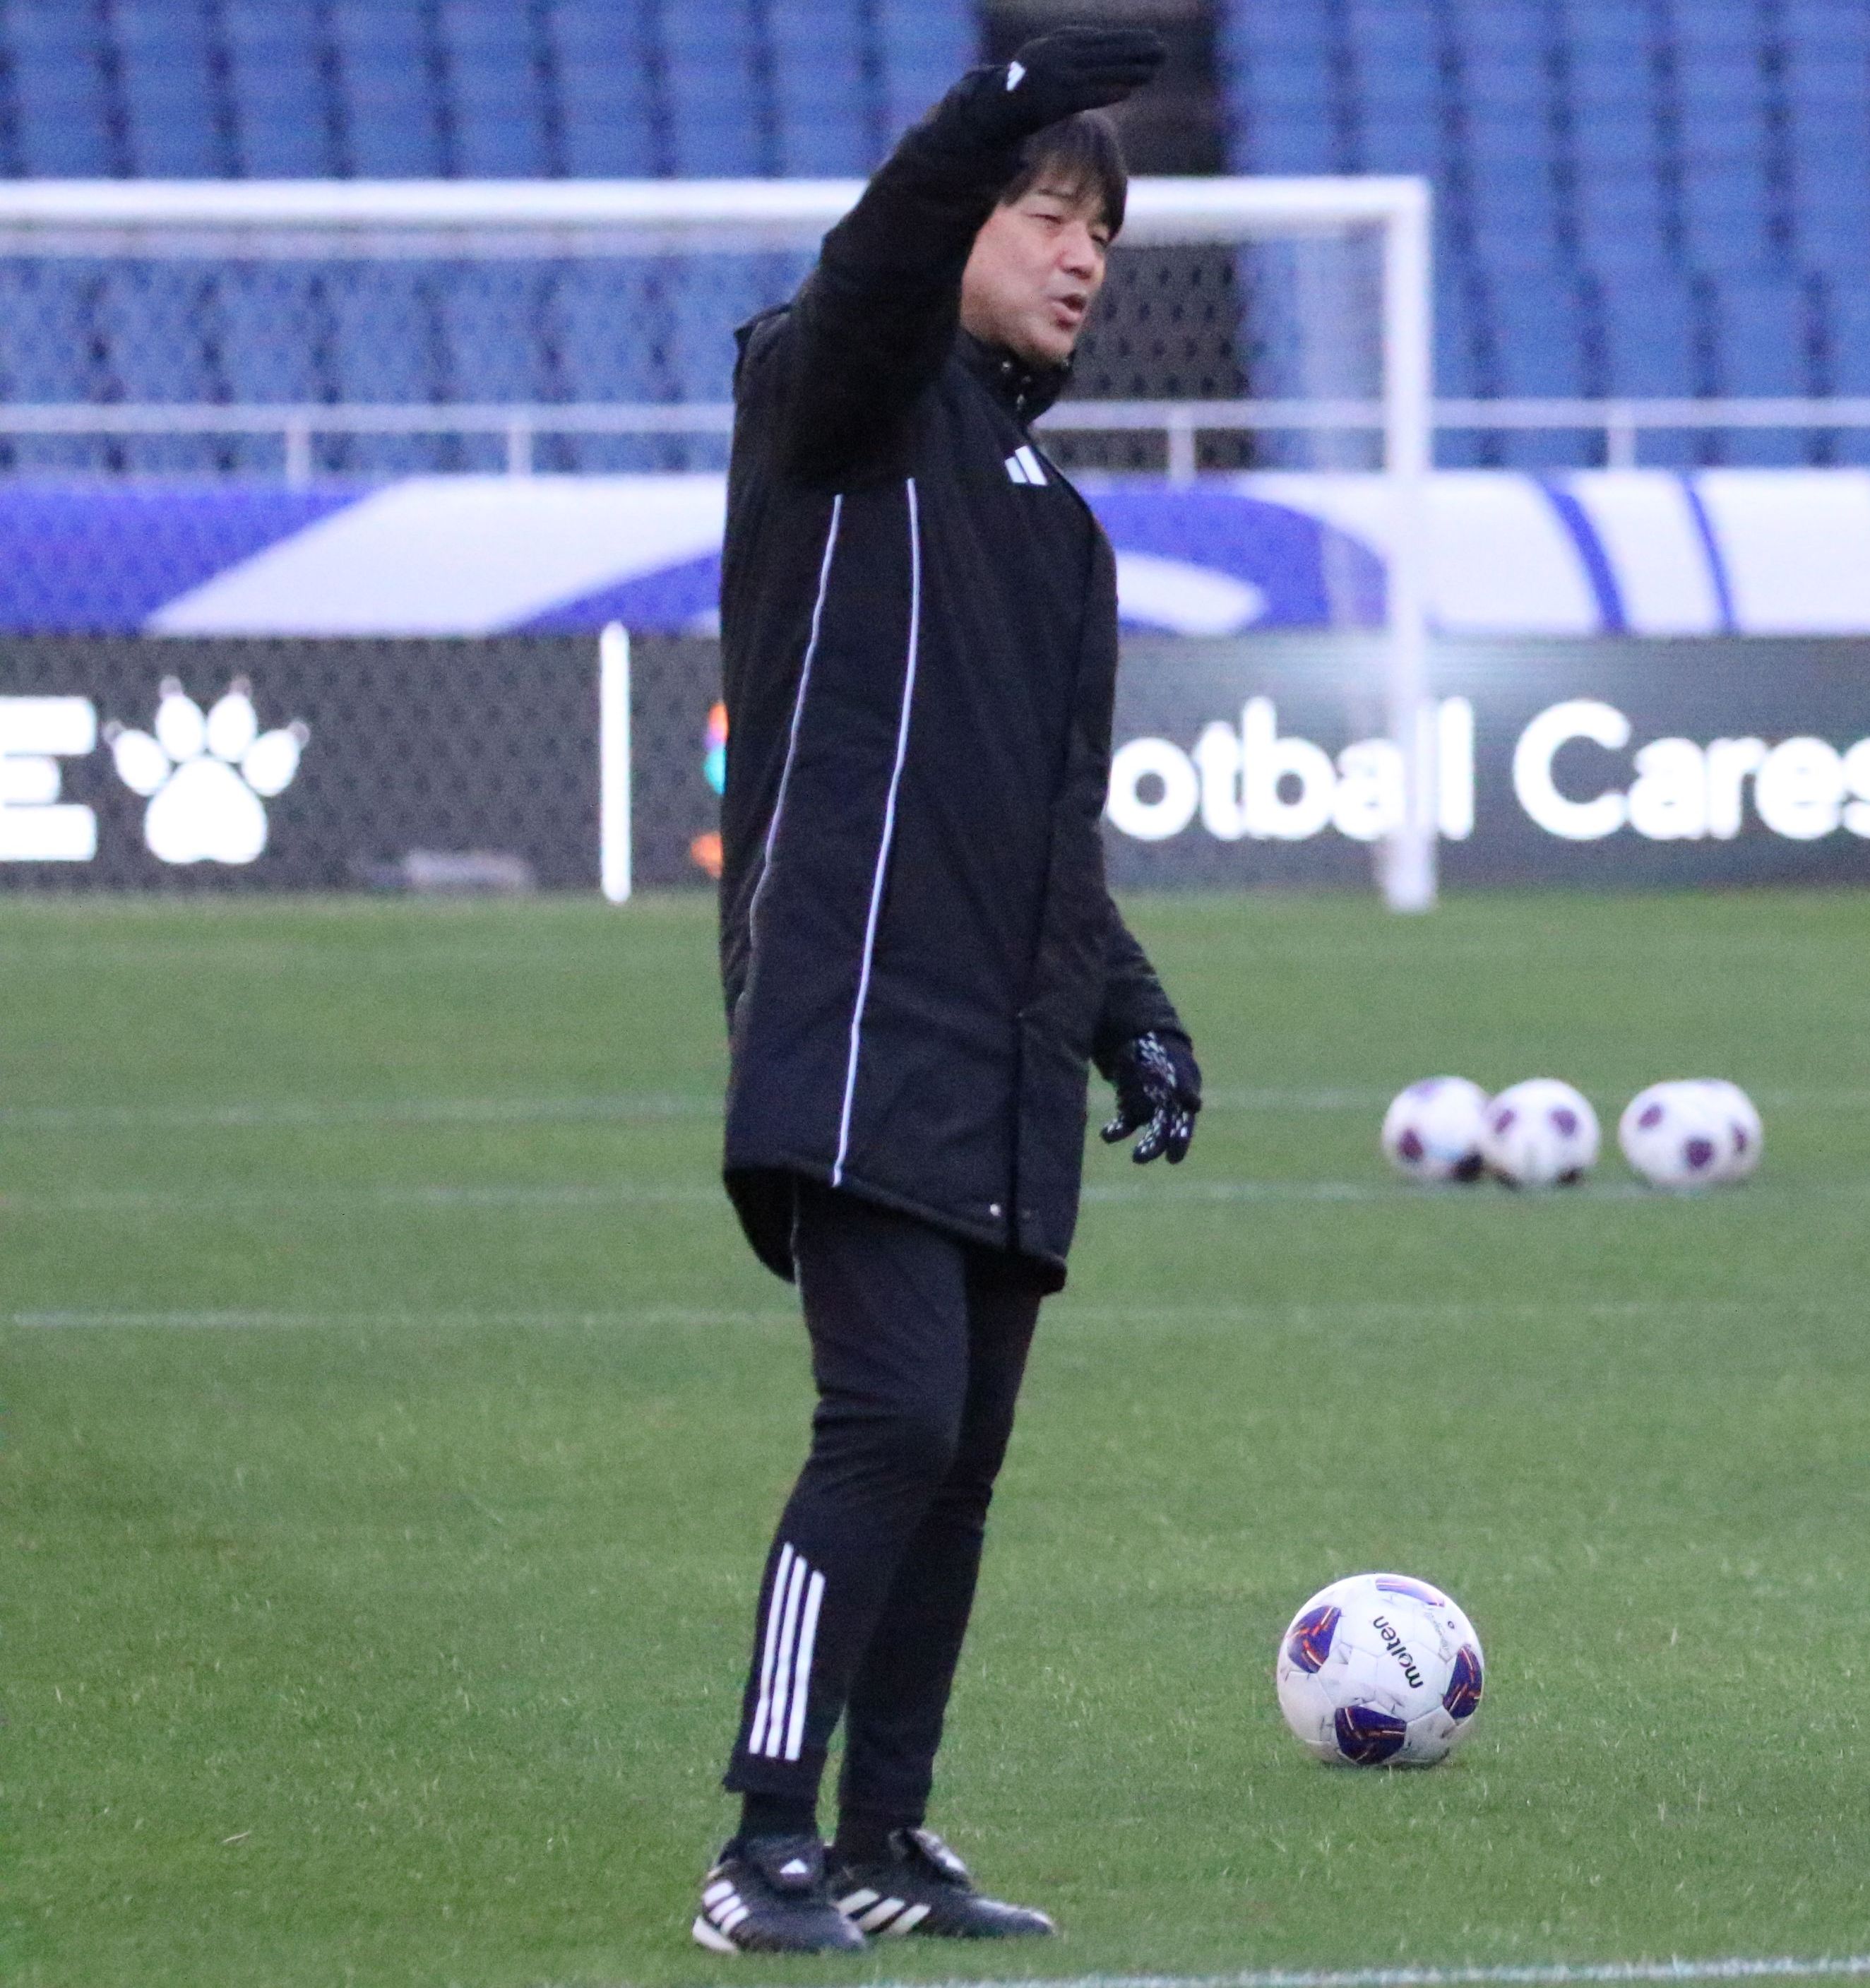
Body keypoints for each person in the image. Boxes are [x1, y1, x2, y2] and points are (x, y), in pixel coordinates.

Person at [695, 28, 1196, 1953]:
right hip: (853, 1021)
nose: (1079, 255)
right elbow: (880, 252)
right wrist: (996, 99)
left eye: (1099, 228)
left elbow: (1050, 827)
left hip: (998, 1051)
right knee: (888, 1427)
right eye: (1043, 212)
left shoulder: (1060, 532)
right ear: (962, 220)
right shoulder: (837, 401)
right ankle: (762, 1837)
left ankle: (889, 1838)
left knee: (960, 1465)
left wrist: (1128, 1012)